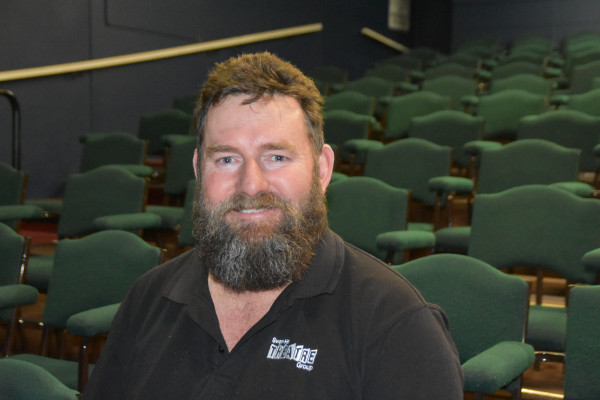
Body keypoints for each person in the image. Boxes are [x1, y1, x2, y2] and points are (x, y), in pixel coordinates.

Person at [83, 52, 463, 399]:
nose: (251, 185)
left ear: (321, 170)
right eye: (227, 159)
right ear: (199, 170)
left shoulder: (396, 325)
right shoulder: (148, 300)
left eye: (276, 157)